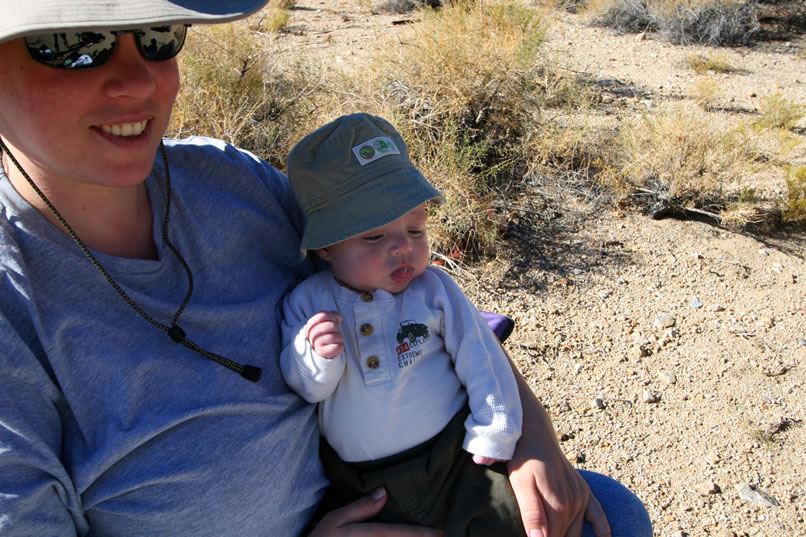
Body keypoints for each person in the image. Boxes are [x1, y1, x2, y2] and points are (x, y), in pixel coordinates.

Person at [0, 1, 653, 536]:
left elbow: (413, 294)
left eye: (156, 37)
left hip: (402, 488)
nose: (137, 80)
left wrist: (534, 438)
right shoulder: (15, 300)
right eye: (71, 43)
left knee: (606, 513)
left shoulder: (233, 186)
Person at [281, 113, 524, 536]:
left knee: (505, 520)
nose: (403, 248)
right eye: (374, 237)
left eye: (415, 228)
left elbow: (480, 357)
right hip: (361, 482)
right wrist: (316, 356)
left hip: (454, 458)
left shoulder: (433, 290)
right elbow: (308, 389)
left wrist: (495, 430)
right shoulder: (308, 302)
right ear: (324, 246)